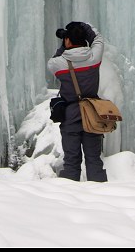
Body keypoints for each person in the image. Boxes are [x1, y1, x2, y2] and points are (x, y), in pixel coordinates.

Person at [47, 20, 107, 182]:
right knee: (94, 160)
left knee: (71, 162)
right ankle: (102, 196)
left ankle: (70, 201)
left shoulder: (58, 64)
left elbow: (54, 59)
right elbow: (98, 38)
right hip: (92, 113)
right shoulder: (94, 58)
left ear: (67, 40)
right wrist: (84, 26)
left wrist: (63, 44)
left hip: (70, 115)